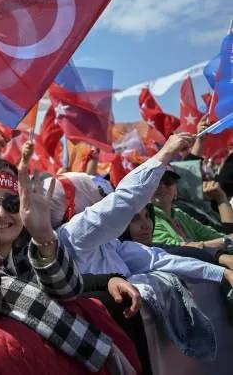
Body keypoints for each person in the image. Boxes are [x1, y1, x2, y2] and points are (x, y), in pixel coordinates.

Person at [0, 135, 139, 373]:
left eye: (12, 204)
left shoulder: (22, 253)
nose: (1, 212)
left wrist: (45, 236)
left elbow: (66, 289)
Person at [53, 133, 233, 361]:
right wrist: (165, 153)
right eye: (95, 192)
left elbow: (160, 259)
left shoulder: (110, 244)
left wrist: (221, 272)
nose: (102, 196)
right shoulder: (73, 234)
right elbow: (124, 200)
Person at [150, 169, 233, 251]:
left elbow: (214, 235)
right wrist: (226, 242)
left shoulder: (179, 214)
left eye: (168, 181)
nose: (161, 186)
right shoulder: (147, 218)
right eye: (155, 181)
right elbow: (175, 248)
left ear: (176, 191)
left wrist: (221, 198)